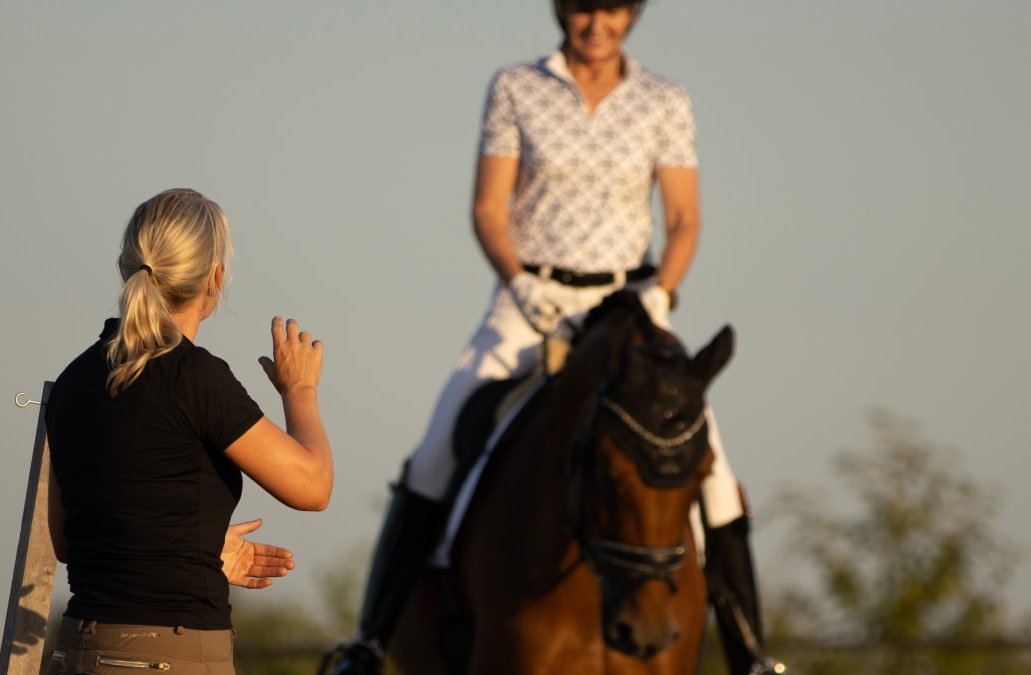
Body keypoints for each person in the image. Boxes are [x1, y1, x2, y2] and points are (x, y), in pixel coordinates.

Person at [321, 2, 771, 674]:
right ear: (564, 12)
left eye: (613, 8)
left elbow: (684, 220)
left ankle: (750, 652)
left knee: (718, 474)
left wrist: (661, 291)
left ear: (631, 15)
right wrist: (520, 278)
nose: (597, 22)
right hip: (531, 299)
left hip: (629, 303)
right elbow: (487, 208)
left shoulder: (663, 99)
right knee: (436, 451)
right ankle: (370, 640)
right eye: (584, 7)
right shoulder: (516, 86)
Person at [44, 188, 334, 675]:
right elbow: (312, 486)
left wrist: (201, 546)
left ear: (126, 266)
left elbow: (69, 543)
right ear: (215, 278)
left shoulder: (74, 381)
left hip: (75, 653)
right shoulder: (196, 378)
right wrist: (299, 390)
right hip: (170, 658)